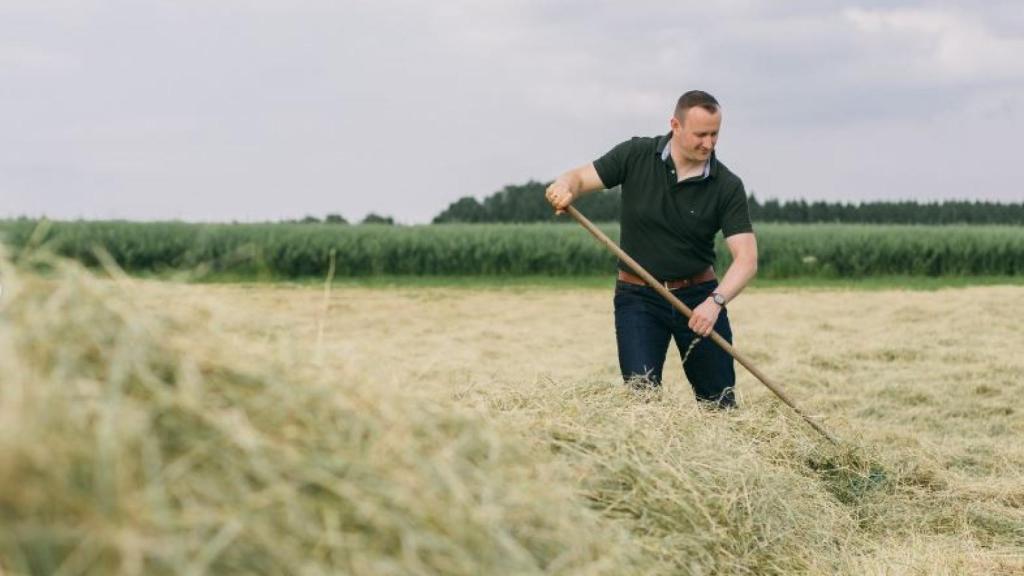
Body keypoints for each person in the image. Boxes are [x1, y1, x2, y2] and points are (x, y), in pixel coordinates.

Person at [545, 90, 758, 408]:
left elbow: (747, 260)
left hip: (698, 300)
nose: (709, 144)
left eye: (715, 134)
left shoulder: (726, 185)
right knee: (641, 402)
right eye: (701, 134)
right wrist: (564, 188)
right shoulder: (635, 155)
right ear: (675, 125)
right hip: (638, 299)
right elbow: (578, 177)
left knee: (720, 405)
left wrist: (714, 303)